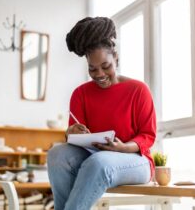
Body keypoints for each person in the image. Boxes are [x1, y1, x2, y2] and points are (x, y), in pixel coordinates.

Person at [47, 17, 156, 210]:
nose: (99, 74)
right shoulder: (80, 94)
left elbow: (147, 136)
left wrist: (123, 147)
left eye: (106, 66)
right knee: (57, 154)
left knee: (99, 162)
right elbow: (74, 138)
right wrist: (71, 132)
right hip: (95, 156)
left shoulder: (138, 90)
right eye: (92, 69)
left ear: (117, 59)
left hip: (136, 161)